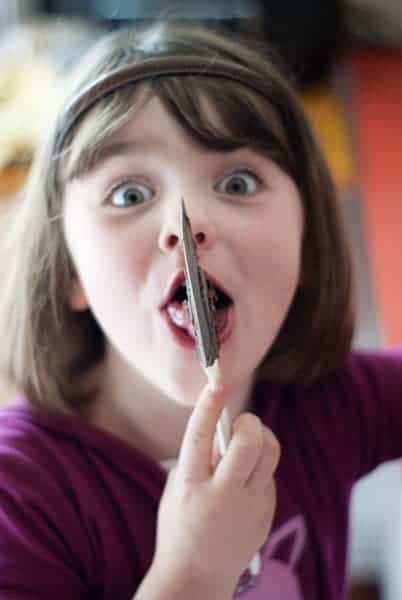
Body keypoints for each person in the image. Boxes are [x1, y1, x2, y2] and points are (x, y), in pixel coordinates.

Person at [0, 21, 401, 600]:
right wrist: (194, 576)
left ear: (308, 245)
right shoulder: (20, 494)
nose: (188, 225)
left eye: (237, 182)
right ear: (67, 270)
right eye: (129, 195)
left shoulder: (326, 405)